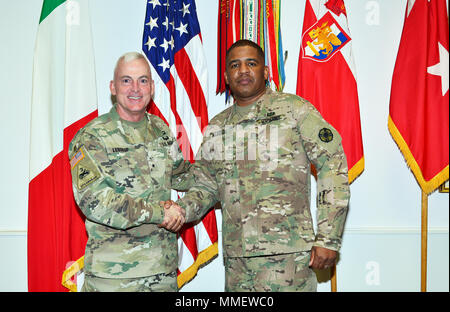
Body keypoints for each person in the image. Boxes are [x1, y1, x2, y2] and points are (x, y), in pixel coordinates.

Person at [162, 39, 350, 292]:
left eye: (251, 63)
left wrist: (329, 237)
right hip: (237, 261)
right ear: (227, 76)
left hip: (288, 258)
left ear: (265, 72)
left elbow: (332, 164)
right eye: (235, 65)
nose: (243, 70)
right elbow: (206, 185)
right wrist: (180, 211)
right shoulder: (218, 126)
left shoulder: (295, 110)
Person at [69, 52, 188, 292]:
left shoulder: (161, 130)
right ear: (113, 87)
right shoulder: (92, 136)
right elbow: (95, 202)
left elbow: (182, 175)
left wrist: (222, 172)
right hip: (113, 279)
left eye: (143, 80)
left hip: (162, 274)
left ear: (152, 87)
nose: (135, 88)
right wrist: (159, 213)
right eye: (126, 80)